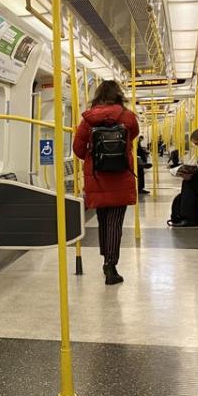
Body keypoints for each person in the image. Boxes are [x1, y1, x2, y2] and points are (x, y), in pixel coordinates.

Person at [73, 80, 140, 285]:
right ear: (118, 94)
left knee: (103, 221)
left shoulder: (88, 120)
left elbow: (77, 148)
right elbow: (133, 136)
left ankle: (106, 261)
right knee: (115, 223)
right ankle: (111, 266)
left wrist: (94, 159)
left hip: (97, 178)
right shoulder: (128, 117)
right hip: (121, 176)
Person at [169, 128, 198, 227]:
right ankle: (192, 214)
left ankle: (190, 217)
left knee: (188, 183)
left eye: (197, 143)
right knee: (190, 182)